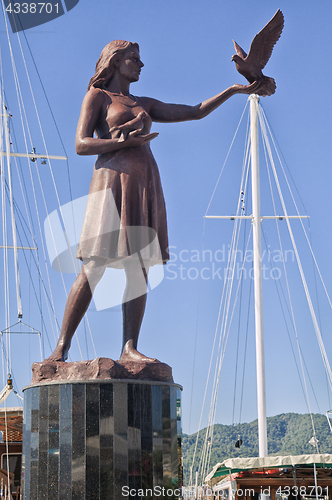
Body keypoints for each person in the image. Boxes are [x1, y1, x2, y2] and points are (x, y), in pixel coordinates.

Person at [46, 40, 267, 363]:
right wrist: (120, 142)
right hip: (110, 182)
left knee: (139, 267)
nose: (141, 64)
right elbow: (81, 145)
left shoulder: (144, 103)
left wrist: (234, 89)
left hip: (144, 182)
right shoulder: (98, 97)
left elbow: (195, 112)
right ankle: (60, 349)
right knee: (95, 265)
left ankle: (129, 348)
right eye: (134, 59)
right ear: (116, 62)